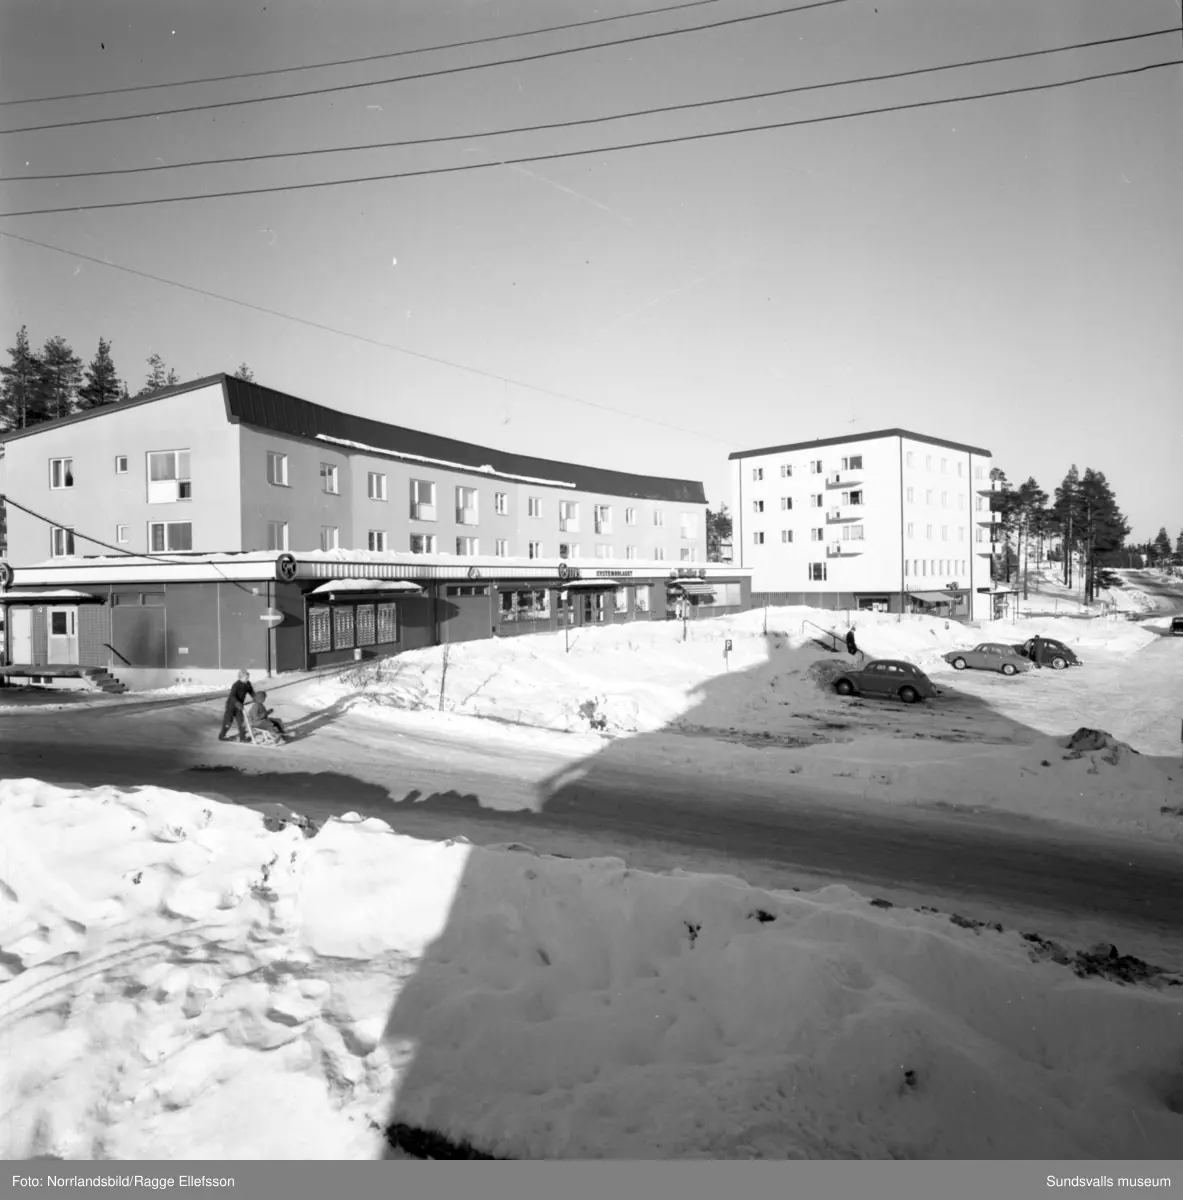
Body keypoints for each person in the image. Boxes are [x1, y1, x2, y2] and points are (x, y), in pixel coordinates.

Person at [218, 669, 254, 741]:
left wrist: (256, 698)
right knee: (228, 721)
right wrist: (237, 703)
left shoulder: (248, 684)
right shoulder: (236, 685)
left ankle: (242, 738)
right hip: (231, 706)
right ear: (240, 677)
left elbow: (251, 692)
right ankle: (222, 736)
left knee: (241, 722)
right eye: (246, 678)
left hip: (239, 706)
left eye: (248, 677)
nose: (247, 679)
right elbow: (232, 696)